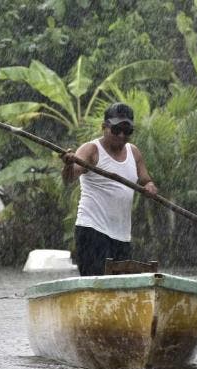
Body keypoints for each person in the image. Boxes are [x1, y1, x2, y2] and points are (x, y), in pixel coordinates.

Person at [61, 102, 158, 276]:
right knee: (96, 286)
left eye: (127, 132)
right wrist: (68, 164)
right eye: (116, 130)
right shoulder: (91, 150)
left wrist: (150, 187)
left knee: (121, 289)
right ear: (104, 127)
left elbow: (146, 180)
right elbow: (69, 178)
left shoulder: (134, 153)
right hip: (92, 231)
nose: (121, 136)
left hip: (122, 236)